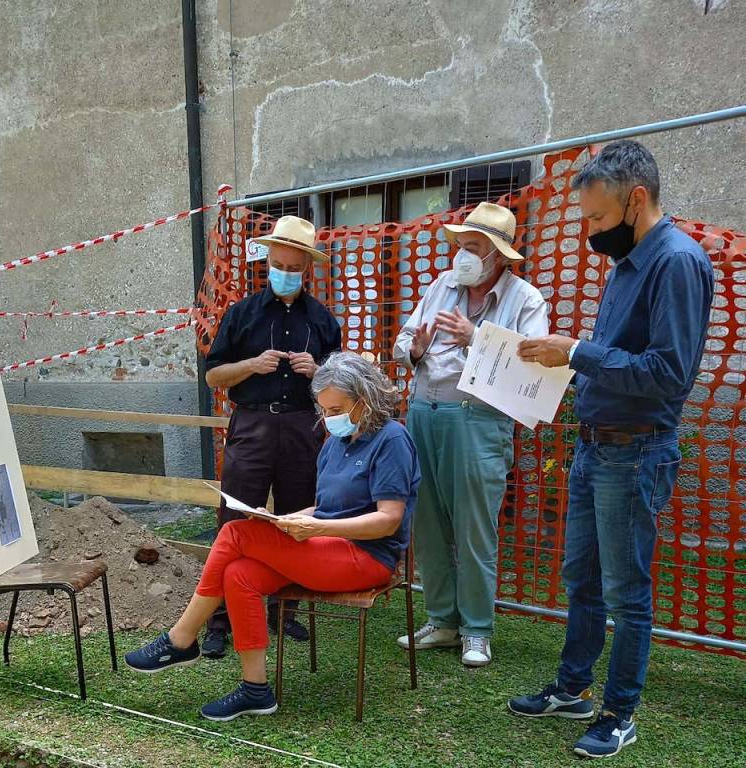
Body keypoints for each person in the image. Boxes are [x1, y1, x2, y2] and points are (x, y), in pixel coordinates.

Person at [508, 140, 713, 759]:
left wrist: (575, 353)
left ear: (637, 200)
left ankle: (620, 711)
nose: (590, 232)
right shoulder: (628, 264)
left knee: (627, 590)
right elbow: (617, 359)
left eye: (596, 219)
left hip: (636, 450)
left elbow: (668, 372)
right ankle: (572, 687)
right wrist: (563, 366)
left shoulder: (676, 262)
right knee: (582, 578)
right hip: (596, 447)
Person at [125, 352, 420, 721]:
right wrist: (285, 519)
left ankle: (181, 638)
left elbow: (388, 521)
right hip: (324, 547)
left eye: (336, 409)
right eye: (324, 410)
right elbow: (325, 507)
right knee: (239, 574)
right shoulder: (333, 444)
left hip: (367, 558)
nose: (329, 419)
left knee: (234, 533)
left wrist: (316, 527)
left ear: (365, 399)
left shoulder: (392, 439)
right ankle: (256, 689)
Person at [393, 201, 548, 667]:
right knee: (429, 523)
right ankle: (442, 621)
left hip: (479, 419)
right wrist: (413, 350)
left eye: (474, 248)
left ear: (499, 255)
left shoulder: (526, 299)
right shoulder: (442, 285)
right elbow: (404, 339)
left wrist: (474, 339)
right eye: (461, 245)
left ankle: (477, 629)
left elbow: (535, 363)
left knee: (475, 527)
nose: (462, 255)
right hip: (424, 410)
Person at [200, 215, 341, 658]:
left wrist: (318, 373)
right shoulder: (241, 314)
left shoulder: (322, 320)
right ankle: (219, 622)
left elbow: (342, 384)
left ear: (306, 269)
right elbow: (213, 377)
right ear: (268, 262)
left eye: (293, 267)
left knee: (299, 520)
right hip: (253, 423)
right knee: (235, 520)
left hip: (303, 425)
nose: (284, 272)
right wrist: (250, 366)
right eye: (278, 264)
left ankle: (287, 611)